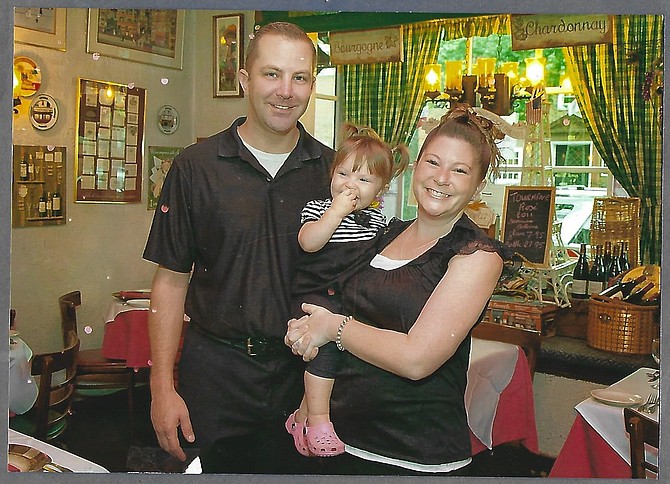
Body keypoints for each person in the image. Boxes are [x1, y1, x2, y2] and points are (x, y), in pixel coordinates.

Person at [142, 22, 333, 474]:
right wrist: (161, 388)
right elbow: (169, 283)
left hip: (303, 381)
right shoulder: (196, 167)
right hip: (215, 377)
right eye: (271, 74)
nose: (285, 91)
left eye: (300, 77)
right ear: (244, 80)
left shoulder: (333, 171)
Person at [286, 103, 512, 476]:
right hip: (341, 442)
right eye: (433, 163)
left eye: (459, 170)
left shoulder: (475, 255)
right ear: (415, 167)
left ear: (479, 185)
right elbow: (335, 299)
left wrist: (333, 327)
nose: (441, 178)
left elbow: (416, 359)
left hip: (411, 456)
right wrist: (308, 331)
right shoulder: (381, 233)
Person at [285, 124, 409, 457]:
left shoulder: (378, 220)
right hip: (316, 296)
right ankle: (319, 419)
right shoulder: (317, 209)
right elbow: (308, 243)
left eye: (363, 180)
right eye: (343, 173)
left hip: (348, 300)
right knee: (324, 351)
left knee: (343, 352)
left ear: (381, 188)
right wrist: (335, 212)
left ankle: (300, 416)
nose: (349, 185)